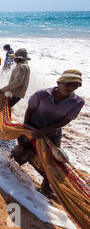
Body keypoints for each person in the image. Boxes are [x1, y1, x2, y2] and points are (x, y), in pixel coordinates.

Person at [10, 70, 84, 198]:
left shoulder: (77, 102)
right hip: (32, 129)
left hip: (53, 135)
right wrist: (26, 128)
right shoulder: (41, 94)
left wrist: (44, 132)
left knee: (54, 164)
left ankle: (45, 187)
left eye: (75, 85)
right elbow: (30, 110)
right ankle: (8, 176)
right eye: (67, 84)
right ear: (59, 82)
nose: (70, 88)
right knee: (21, 155)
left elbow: (65, 121)